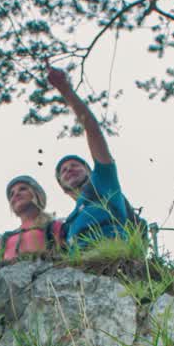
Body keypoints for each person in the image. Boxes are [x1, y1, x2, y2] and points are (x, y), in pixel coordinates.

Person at [47, 66, 135, 249]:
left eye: (75, 165)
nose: (69, 169)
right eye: (63, 171)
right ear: (63, 187)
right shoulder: (70, 222)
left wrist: (66, 91)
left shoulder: (104, 181)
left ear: (91, 170)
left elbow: (91, 128)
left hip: (112, 257)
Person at [0, 175, 64, 261]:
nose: (16, 194)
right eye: (11, 194)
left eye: (23, 189)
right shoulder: (5, 238)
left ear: (37, 194)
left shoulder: (54, 226)